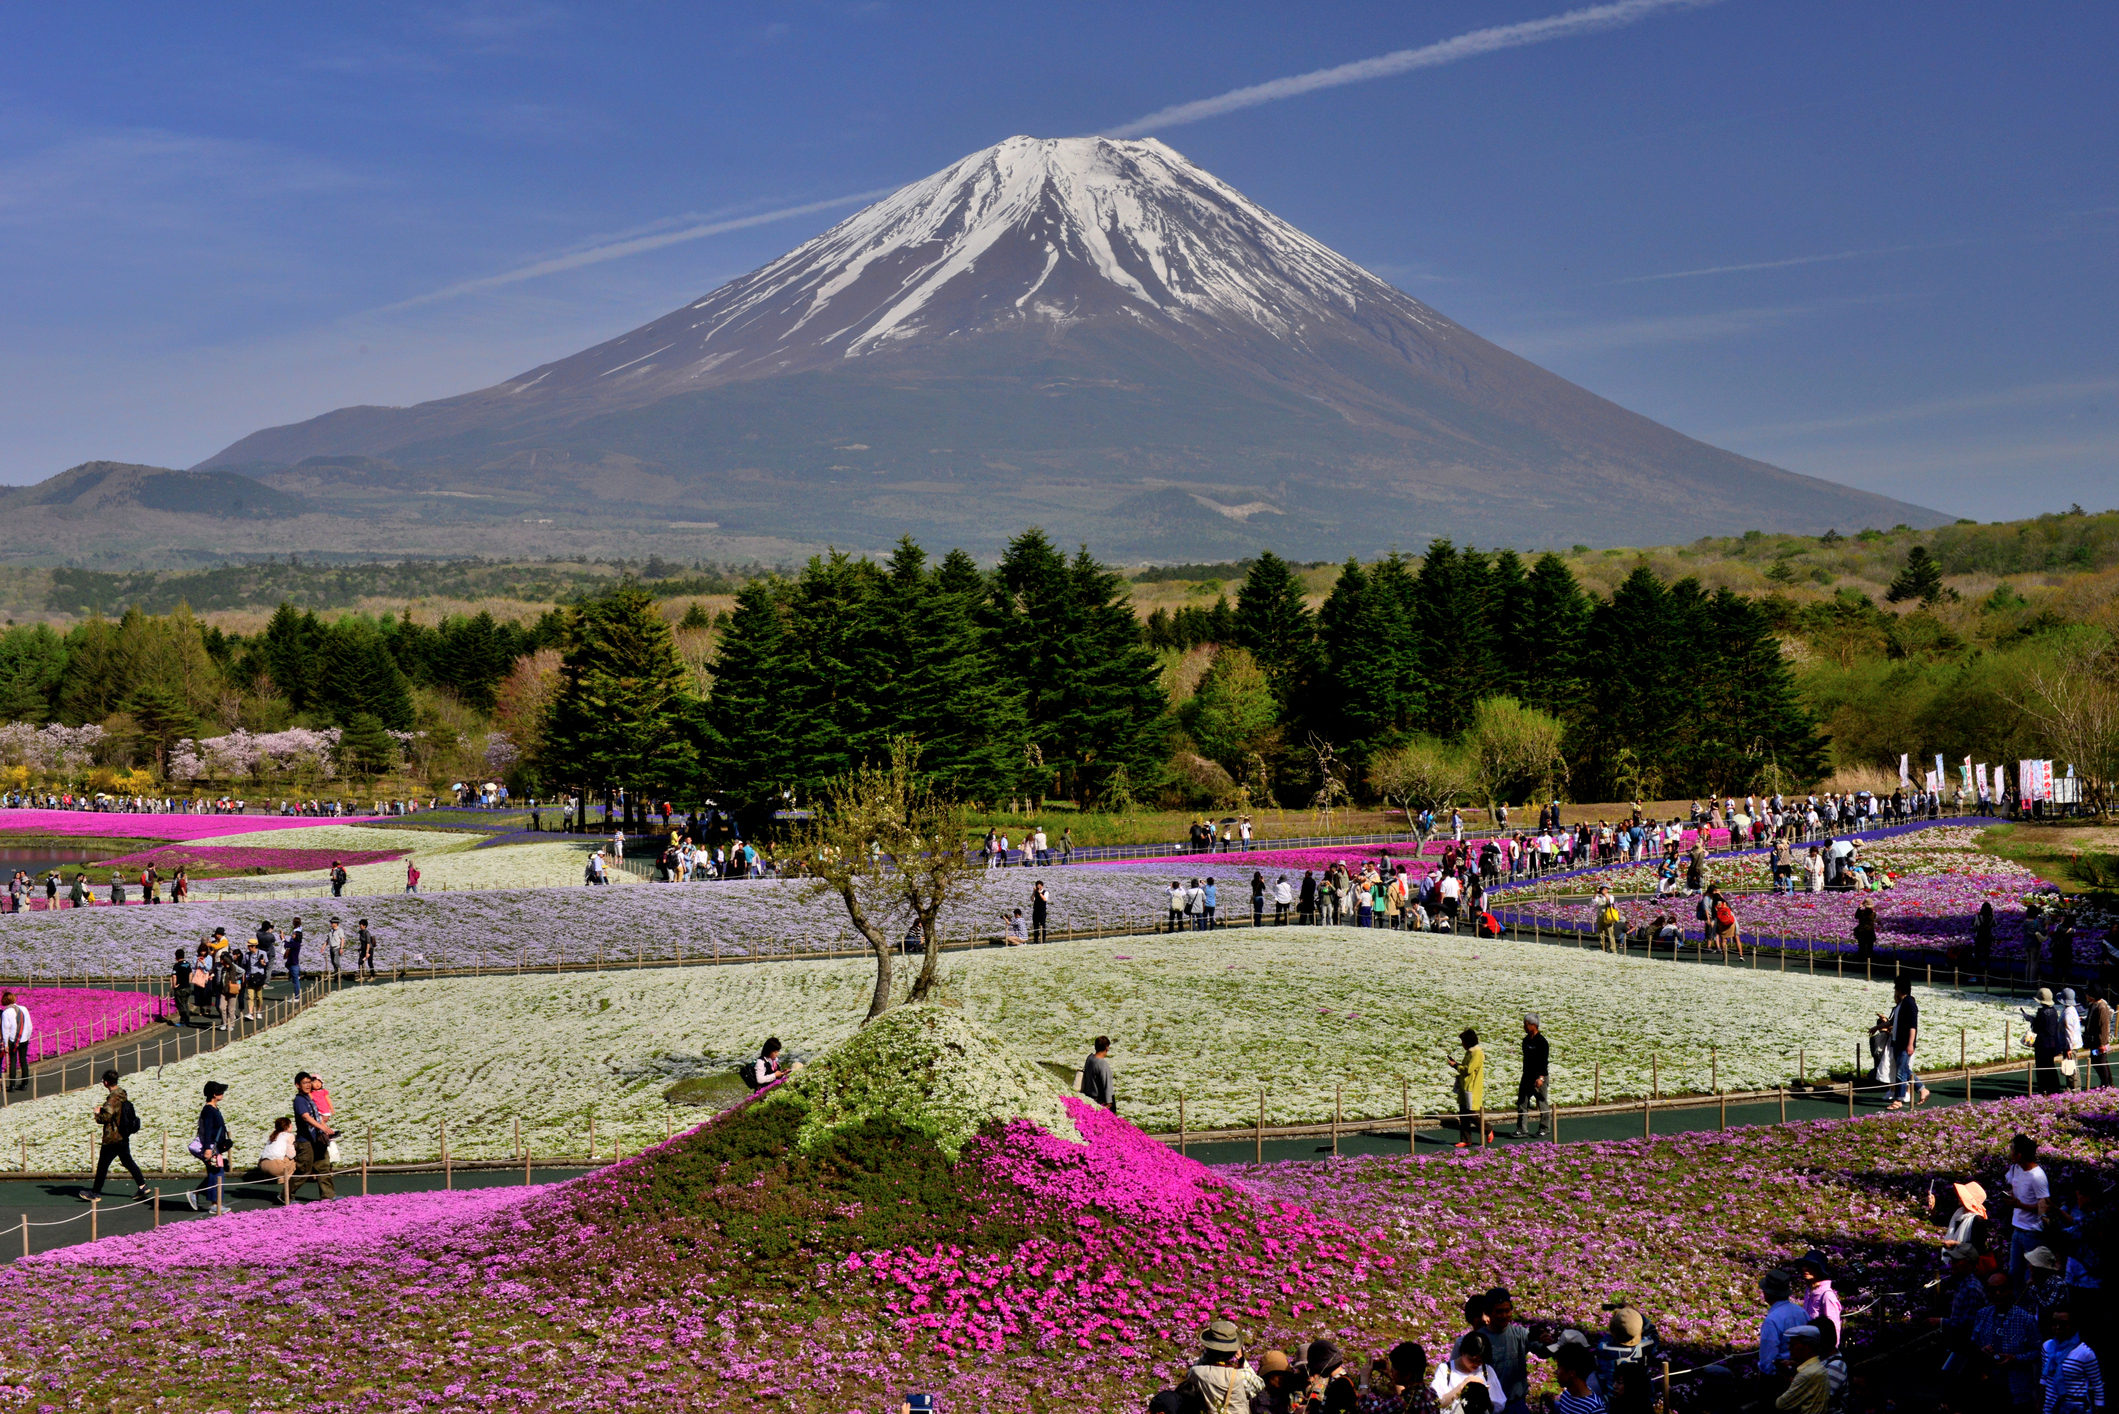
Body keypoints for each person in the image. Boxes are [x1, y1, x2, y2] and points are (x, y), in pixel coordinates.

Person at [1971, 1271, 2038, 1411]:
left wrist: (2016, 1358)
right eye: (1993, 1290)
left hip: (2017, 1389)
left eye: (2002, 1289)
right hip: (1988, 1386)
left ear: (2010, 1290)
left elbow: (2038, 1352)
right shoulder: (1982, 1315)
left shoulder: (2026, 1319)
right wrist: (1981, 1350)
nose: (1998, 1293)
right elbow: (1973, 1344)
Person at [85, 1069, 148, 1203]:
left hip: (112, 1137)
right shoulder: (122, 1094)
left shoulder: (112, 1098)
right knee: (127, 1161)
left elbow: (106, 1117)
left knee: (103, 1165)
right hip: (123, 1134)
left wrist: (97, 1113)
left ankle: (95, 1193)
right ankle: (142, 1186)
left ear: (106, 1082)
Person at [2004, 1134, 2052, 1285]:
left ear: (2019, 1155)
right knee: (2015, 1273)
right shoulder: (2016, 1169)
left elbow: (2045, 1206)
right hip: (2017, 1229)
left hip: (2032, 1232)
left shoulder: (2037, 1176)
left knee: (2032, 1276)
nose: (2009, 1152)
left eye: (2012, 1149)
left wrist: (2020, 1205)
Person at [1188, 1320, 1265, 1412]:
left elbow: (1190, 1374)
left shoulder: (1196, 1372)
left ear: (1208, 1348)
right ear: (1234, 1350)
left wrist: (1207, 1352)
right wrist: (1242, 1359)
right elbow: (1259, 1385)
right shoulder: (1240, 1376)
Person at [2040, 1303, 2102, 1414]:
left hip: (2075, 1409)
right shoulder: (2047, 1347)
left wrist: (2099, 1409)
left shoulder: (2085, 1353)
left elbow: (2097, 1384)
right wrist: (2039, 1403)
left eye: (2063, 1324)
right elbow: (2044, 1378)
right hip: (2050, 1407)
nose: (2058, 1328)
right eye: (2055, 1323)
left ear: (2073, 1325)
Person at [1881, 976, 1930, 1109]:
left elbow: (1912, 1025)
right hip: (1897, 1042)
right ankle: (1923, 1090)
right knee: (1904, 1069)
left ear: (1899, 989)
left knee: (1901, 1072)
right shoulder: (1900, 1004)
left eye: (1896, 988)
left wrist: (1910, 1043)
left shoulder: (1909, 1003)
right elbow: (1892, 1022)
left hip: (1904, 1043)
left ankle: (1899, 1100)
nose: (1894, 991)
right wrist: (1877, 1027)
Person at [188, 1080, 233, 1214]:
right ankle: (214, 1204)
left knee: (216, 1172)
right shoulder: (208, 1110)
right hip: (210, 1147)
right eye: (220, 1091)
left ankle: (195, 1194)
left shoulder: (214, 1109)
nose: (223, 1093)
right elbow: (207, 1130)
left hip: (214, 1146)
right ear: (214, 1094)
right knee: (216, 1172)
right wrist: (208, 1148)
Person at [290, 1071, 337, 1200]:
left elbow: (317, 1116)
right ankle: (286, 1195)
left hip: (317, 1138)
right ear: (297, 1085)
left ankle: (328, 1195)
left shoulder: (310, 1098)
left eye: (310, 1082)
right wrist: (322, 1127)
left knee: (323, 1166)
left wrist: (326, 1128)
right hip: (305, 1140)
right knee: (304, 1170)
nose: (308, 1085)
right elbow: (305, 1117)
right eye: (305, 1083)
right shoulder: (299, 1100)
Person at [1757, 1270, 1808, 1386]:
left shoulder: (1772, 1320)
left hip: (1780, 1378)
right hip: (1802, 1371)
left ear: (1768, 1294)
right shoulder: (1802, 1312)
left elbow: (1768, 1360)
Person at [1482, 1289, 1530, 1413]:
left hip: (1516, 1404)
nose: (1504, 1316)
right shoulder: (1479, 1339)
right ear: (1488, 1312)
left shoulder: (1520, 1334)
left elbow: (1543, 1352)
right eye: (1499, 1311)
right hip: (1490, 1405)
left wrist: (1545, 1341)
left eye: (1507, 1311)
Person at [1445, 1028, 1491, 1149]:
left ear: (1468, 1042)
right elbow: (1466, 1067)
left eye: (1463, 1042)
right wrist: (1457, 1065)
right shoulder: (1469, 1052)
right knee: (1463, 1114)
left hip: (1471, 1087)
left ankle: (1488, 1129)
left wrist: (1456, 1066)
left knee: (1471, 1114)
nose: (1462, 1044)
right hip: (1464, 1085)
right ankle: (1466, 1140)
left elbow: (1469, 1070)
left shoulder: (1477, 1054)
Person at [1430, 1332, 1502, 1410]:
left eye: (1481, 1361)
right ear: (1463, 1352)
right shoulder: (1445, 1369)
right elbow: (1437, 1403)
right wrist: (1463, 1385)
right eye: (1472, 1360)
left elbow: (1498, 1405)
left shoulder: (1486, 1370)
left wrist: (1484, 1396)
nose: (1477, 1364)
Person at [1772, 1326, 1828, 1413]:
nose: (1789, 1348)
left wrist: (1787, 1378)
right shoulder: (1817, 1366)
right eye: (1789, 1343)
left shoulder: (1806, 1374)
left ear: (1809, 1347)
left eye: (1793, 1344)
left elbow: (1781, 1404)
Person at [1513, 1017, 1551, 1141]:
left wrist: (1541, 1077)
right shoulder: (1525, 1041)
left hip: (1539, 1077)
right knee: (1522, 1103)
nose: (1524, 1027)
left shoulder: (1542, 1042)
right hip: (1527, 1077)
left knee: (1542, 1103)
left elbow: (1543, 1062)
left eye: (1526, 1024)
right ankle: (1522, 1129)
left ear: (1533, 1025)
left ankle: (1544, 1129)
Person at [1794, 1251, 1842, 1332]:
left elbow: (1834, 1329)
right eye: (1804, 1265)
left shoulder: (1827, 1295)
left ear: (1819, 1269)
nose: (1805, 1269)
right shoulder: (1808, 1291)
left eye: (1810, 1266)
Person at [1552, 1344, 1606, 1414]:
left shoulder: (1595, 1408)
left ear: (1571, 1373)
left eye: (1559, 1367)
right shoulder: (1566, 1395)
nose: (1556, 1371)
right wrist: (1551, 1403)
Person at [256, 1117, 298, 1201]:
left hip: (262, 1164)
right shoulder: (289, 1136)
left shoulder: (273, 1135)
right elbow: (291, 1155)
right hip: (275, 1166)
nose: (292, 1126)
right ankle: (284, 1184)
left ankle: (281, 1179)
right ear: (287, 1126)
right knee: (296, 1161)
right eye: (290, 1124)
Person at [1, 991, 31, 1090]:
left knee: (12, 1062)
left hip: (13, 1040)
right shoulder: (24, 1009)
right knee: (23, 1060)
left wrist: (6, 1044)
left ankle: (12, 1086)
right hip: (24, 1039)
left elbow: (6, 1029)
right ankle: (25, 1084)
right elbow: (29, 1025)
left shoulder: (6, 1012)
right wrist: (27, 1036)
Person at [1080, 1036, 1116, 1113]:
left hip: (1089, 1096)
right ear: (1107, 1048)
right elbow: (1106, 1084)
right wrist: (1109, 1102)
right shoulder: (1102, 1064)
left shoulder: (1090, 1058)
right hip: (1100, 1100)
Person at [1592, 886, 1621, 953]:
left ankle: (1613, 950)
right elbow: (1593, 902)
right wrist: (1596, 893)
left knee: (1610, 934)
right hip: (1600, 917)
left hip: (1608, 918)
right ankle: (1603, 949)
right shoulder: (1598, 897)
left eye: (1605, 889)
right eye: (1603, 889)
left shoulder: (1610, 896)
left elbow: (1610, 902)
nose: (1604, 890)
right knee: (1601, 935)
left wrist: (1605, 894)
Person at [285, 916, 304, 995]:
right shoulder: (299, 929)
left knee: (296, 981)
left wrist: (283, 938)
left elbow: (287, 944)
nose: (293, 935)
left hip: (293, 962)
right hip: (293, 961)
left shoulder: (296, 932)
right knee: (290, 964)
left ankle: (297, 996)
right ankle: (297, 974)